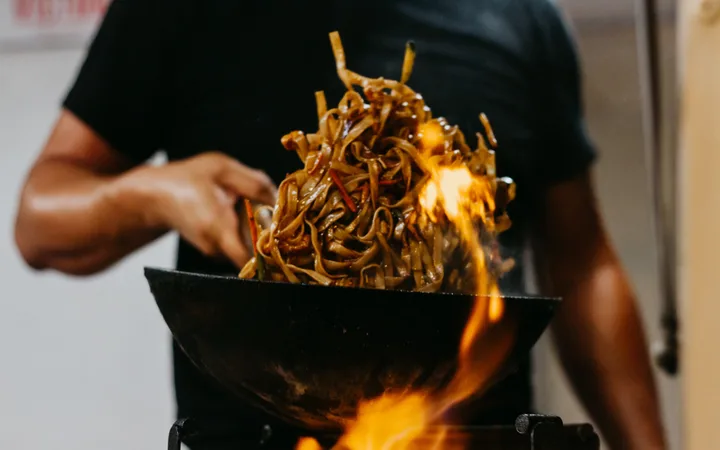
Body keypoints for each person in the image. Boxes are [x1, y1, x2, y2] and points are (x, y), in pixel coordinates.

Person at [13, 0, 667, 448]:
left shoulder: (524, 17)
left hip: (474, 437)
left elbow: (584, 267)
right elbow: (39, 220)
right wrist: (155, 191)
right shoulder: (183, 10)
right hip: (251, 436)